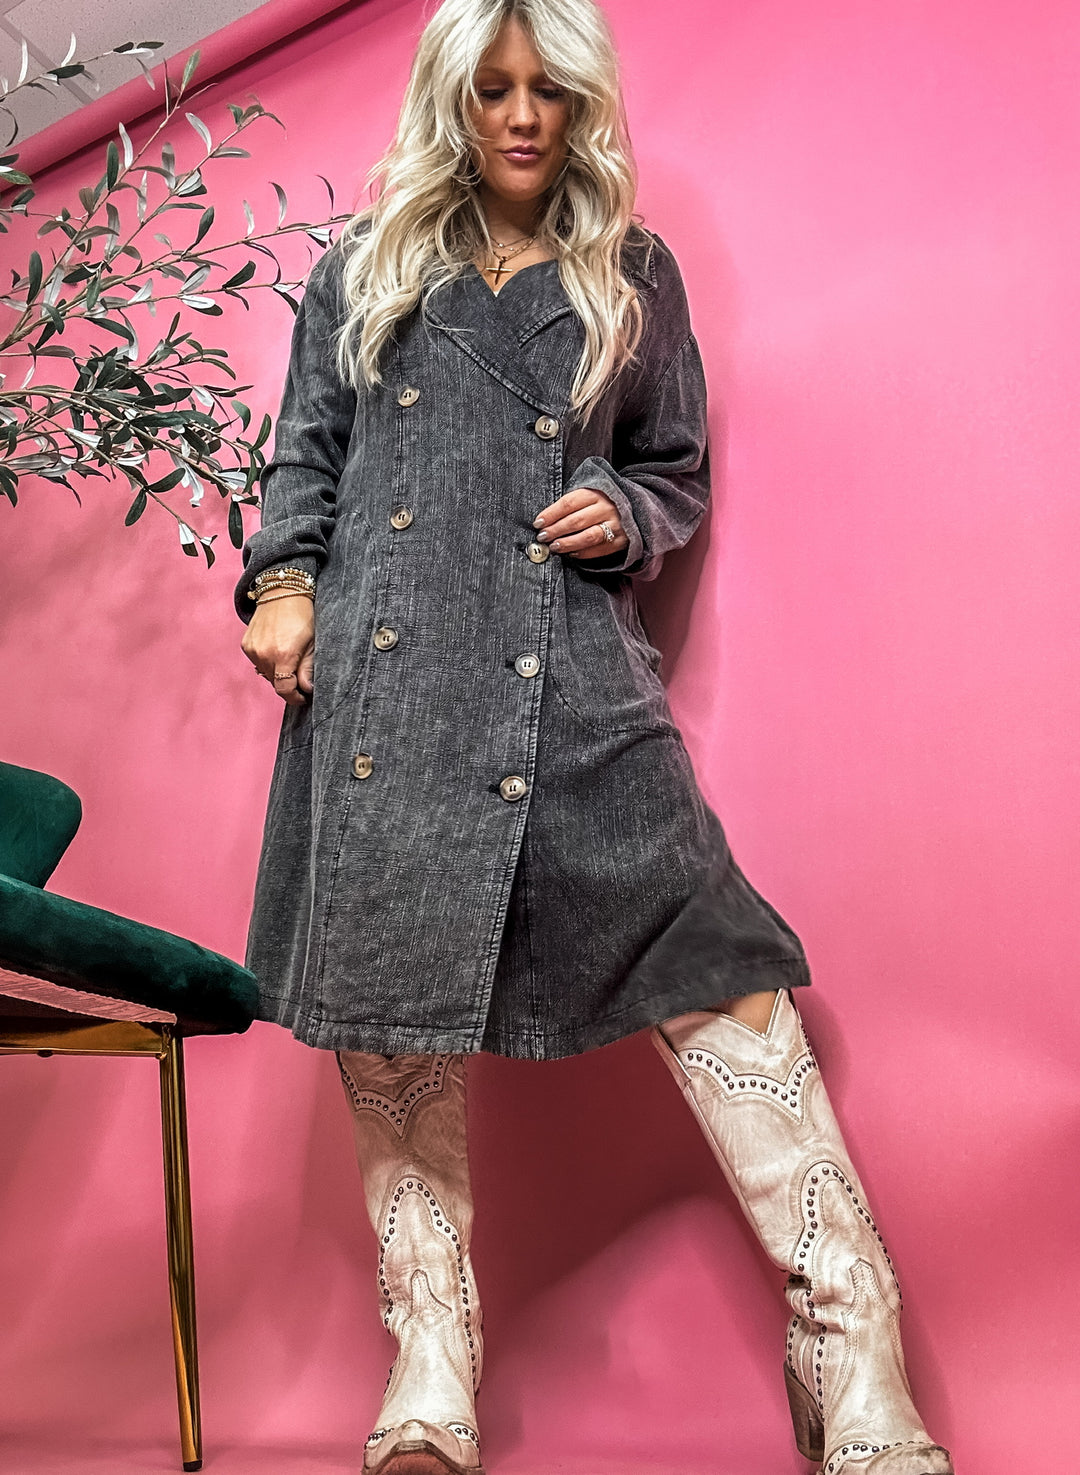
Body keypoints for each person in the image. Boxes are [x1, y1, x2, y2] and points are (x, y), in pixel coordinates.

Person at [235, 2, 954, 1472]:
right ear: (453, 99)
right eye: (493, 89)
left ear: (581, 103)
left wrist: (622, 509)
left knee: (716, 966)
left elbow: (672, 466)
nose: (521, 117)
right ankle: (431, 1355)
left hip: (569, 681)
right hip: (384, 688)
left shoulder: (633, 273)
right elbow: (305, 460)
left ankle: (850, 1345)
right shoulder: (364, 269)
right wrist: (284, 588)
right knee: (389, 1011)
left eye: (549, 90)